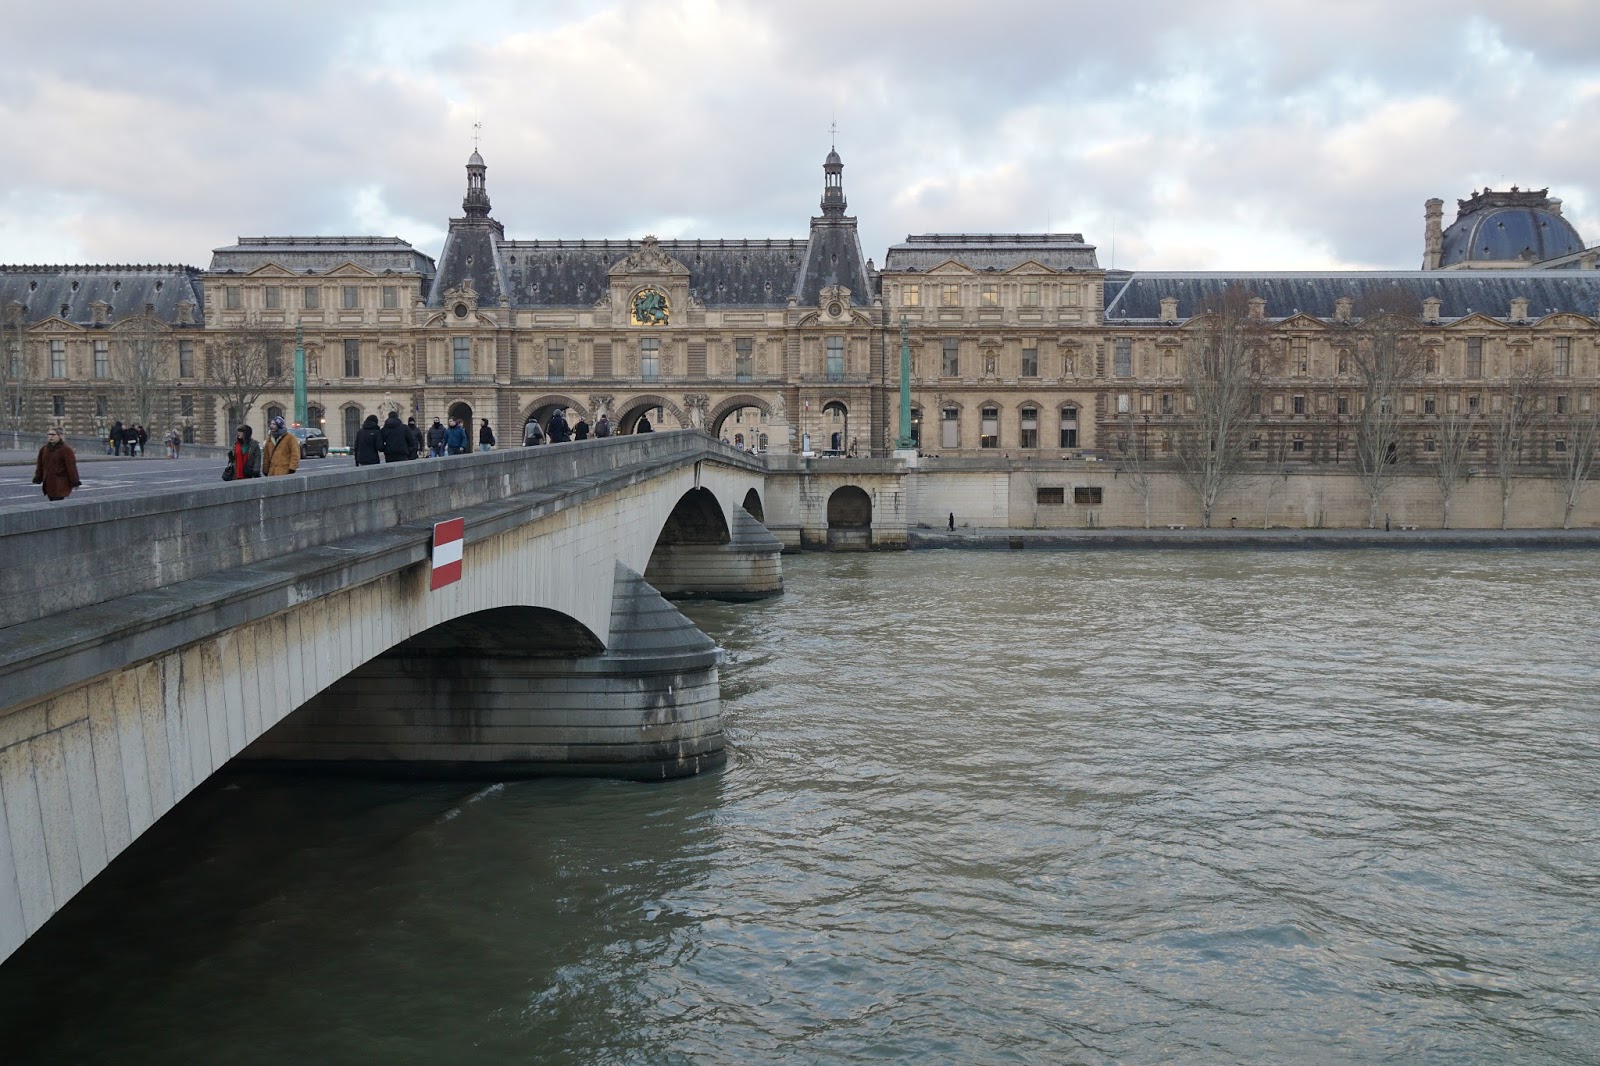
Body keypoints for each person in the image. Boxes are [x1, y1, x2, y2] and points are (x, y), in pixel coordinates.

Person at [32, 427, 82, 501]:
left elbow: (71, 467)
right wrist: (38, 477)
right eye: (49, 434)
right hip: (49, 483)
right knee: (52, 502)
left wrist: (75, 482)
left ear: (60, 436)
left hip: (61, 483)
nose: (50, 436)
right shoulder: (44, 449)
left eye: (53, 434)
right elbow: (40, 465)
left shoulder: (66, 450)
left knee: (57, 502)